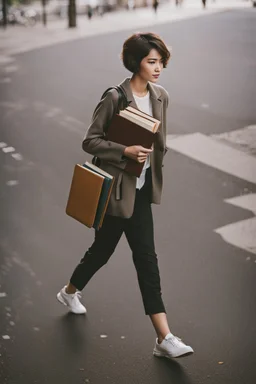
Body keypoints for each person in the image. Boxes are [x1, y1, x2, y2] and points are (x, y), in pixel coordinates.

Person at [57, 32, 194, 359]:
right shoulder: (115, 98)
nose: (158, 68)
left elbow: (159, 143)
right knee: (102, 252)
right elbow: (90, 141)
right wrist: (125, 151)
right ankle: (69, 292)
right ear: (135, 62)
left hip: (141, 190)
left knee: (146, 259)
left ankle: (163, 338)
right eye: (151, 61)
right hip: (116, 193)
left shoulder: (161, 96)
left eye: (161, 62)